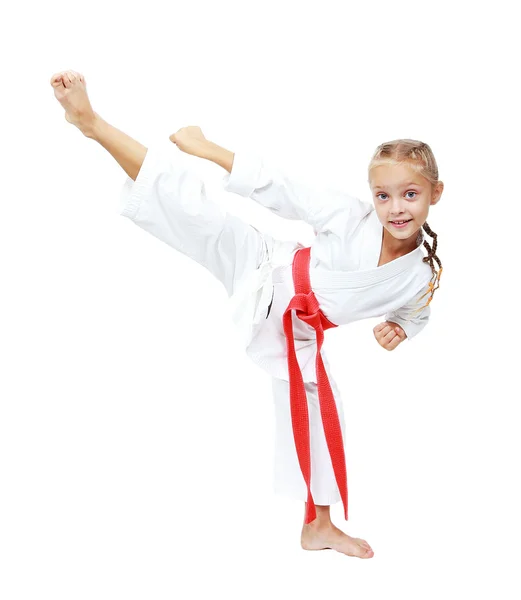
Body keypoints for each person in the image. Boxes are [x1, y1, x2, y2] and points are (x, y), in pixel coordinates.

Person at [50, 70, 444, 560]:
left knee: (324, 415)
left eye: (410, 194)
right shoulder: (350, 217)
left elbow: (415, 310)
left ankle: (317, 526)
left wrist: (401, 328)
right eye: (383, 195)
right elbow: (282, 187)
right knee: (190, 207)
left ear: (435, 193)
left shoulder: (419, 275)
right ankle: (92, 123)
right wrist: (206, 147)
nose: (395, 208)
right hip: (264, 265)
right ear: (372, 195)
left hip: (298, 333)